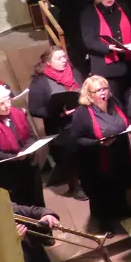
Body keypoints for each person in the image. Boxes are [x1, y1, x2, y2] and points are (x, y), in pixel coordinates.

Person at [70, 75, 131, 228]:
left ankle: (123, 209)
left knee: (120, 184)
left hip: (119, 152)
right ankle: (102, 222)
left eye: (105, 89)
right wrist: (98, 143)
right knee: (101, 194)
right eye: (98, 90)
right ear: (89, 94)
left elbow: (123, 121)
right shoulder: (82, 113)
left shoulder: (114, 103)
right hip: (97, 159)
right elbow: (76, 140)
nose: (103, 93)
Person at [28, 47, 86, 200]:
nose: (64, 61)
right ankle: (76, 186)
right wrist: (59, 113)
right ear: (48, 62)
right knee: (69, 156)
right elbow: (35, 109)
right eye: (59, 58)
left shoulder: (74, 72)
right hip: (60, 126)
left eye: (64, 57)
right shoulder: (39, 82)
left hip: (82, 119)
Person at [0, 84, 44, 207]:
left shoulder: (17, 114)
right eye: (1, 104)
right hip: (9, 174)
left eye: (8, 100)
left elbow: (31, 136)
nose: (7, 105)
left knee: (38, 201)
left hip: (29, 165)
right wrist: (16, 156)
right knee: (22, 207)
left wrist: (25, 151)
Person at [81, 0, 131, 101]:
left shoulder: (122, 6)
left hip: (128, 63)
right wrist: (107, 48)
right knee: (116, 101)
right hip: (107, 67)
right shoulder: (89, 13)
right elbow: (89, 41)